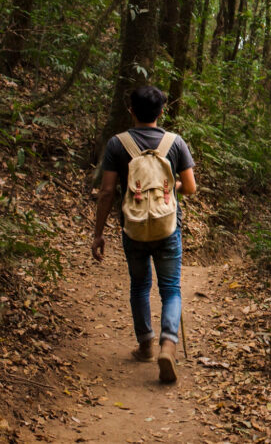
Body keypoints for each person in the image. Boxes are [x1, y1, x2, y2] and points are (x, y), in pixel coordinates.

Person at [91, 85, 197, 383]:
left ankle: (145, 344)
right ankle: (168, 345)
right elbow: (189, 187)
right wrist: (170, 188)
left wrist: (98, 234)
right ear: (162, 112)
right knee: (171, 289)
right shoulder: (175, 143)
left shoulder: (117, 144)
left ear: (131, 111)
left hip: (133, 228)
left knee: (139, 286)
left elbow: (107, 191)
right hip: (167, 228)